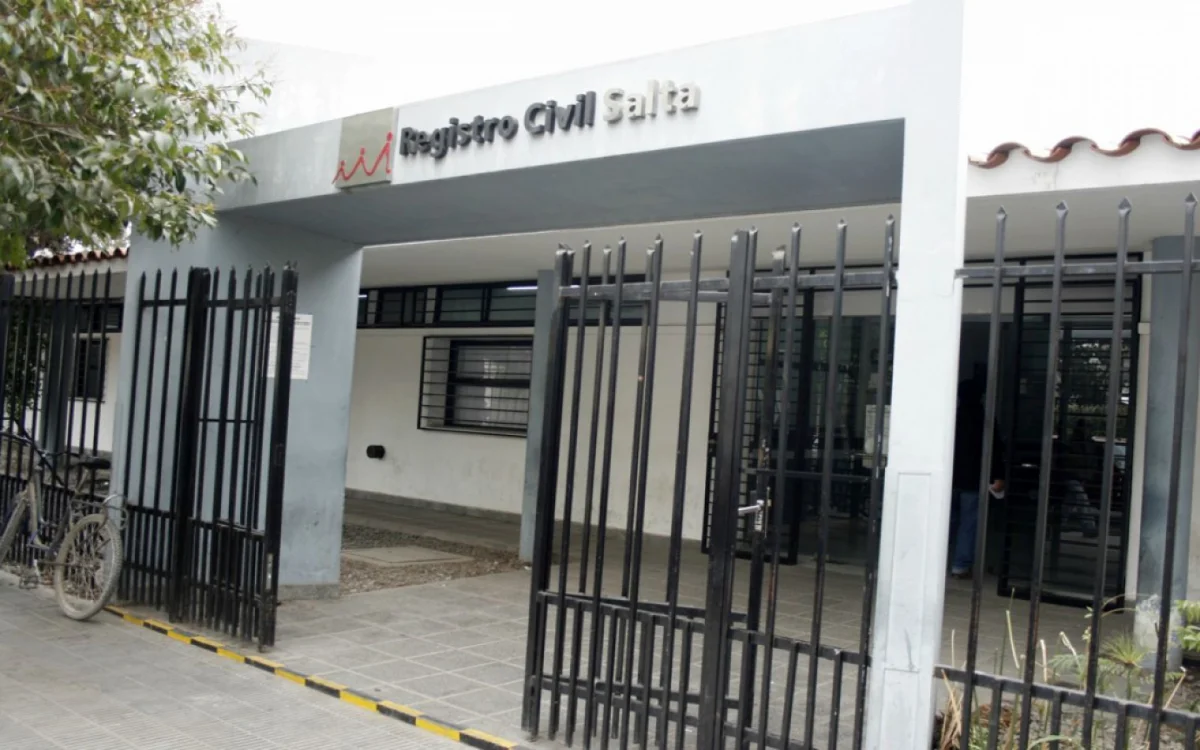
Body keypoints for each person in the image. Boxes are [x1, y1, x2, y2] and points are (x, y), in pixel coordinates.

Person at [950, 374, 1005, 579]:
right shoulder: (985, 420)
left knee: (947, 522)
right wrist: (998, 476)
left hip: (950, 479)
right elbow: (995, 449)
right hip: (974, 480)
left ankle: (936, 561)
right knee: (969, 524)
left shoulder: (950, 417)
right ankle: (960, 565)